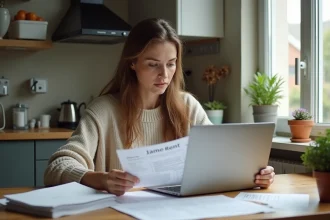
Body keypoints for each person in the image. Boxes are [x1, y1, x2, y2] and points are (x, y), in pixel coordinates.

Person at [44, 18, 275, 196]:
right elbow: (57, 166)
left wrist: (256, 174)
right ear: (132, 63)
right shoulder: (104, 110)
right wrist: (100, 179)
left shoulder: (187, 106)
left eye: (171, 64)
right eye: (153, 64)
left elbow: (222, 160)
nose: (164, 75)